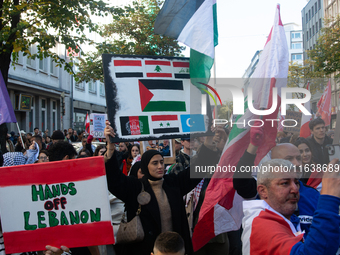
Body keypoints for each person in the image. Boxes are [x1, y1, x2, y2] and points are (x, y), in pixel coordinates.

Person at [104, 121, 219, 255]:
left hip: (175, 250)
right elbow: (113, 179)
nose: (160, 166)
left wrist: (209, 139)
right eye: (155, 163)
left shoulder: (173, 183)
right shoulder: (135, 187)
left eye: (161, 162)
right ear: (145, 166)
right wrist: (110, 148)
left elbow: (198, 168)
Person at [233, 126, 320, 237]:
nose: (297, 164)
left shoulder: (313, 194)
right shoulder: (266, 189)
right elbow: (241, 181)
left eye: (298, 158)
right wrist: (253, 147)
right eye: (289, 159)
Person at [242, 158, 340, 255]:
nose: (295, 189)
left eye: (296, 183)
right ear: (263, 191)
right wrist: (329, 198)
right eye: (285, 183)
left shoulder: (282, 216)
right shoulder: (261, 225)